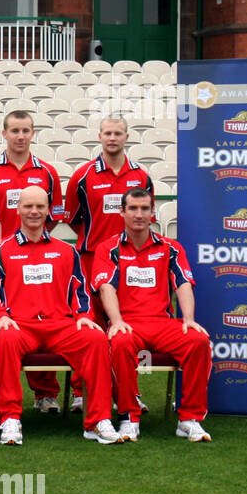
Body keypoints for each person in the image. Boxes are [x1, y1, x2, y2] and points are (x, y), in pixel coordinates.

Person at [0, 186, 120, 445]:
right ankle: (10, 418)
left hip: (60, 325)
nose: (34, 212)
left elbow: (80, 289)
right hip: (20, 325)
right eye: (28, 206)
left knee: (95, 338)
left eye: (40, 207)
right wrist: (0, 316)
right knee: (5, 338)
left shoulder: (66, 250)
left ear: (48, 211)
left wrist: (84, 316)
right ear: (18, 209)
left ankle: (98, 420)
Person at [91, 188, 212, 442]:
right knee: (119, 342)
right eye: (133, 209)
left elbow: (183, 283)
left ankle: (189, 419)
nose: (139, 214)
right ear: (122, 212)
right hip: (128, 324)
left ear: (152, 212)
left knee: (198, 341)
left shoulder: (170, 247)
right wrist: (116, 322)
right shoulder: (108, 248)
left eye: (144, 209)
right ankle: (129, 418)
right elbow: (106, 288)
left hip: (162, 323)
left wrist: (188, 319)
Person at [0, 109, 65, 413]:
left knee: (43, 318)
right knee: (2, 326)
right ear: (4, 133)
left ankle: (45, 393)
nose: (20, 136)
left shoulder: (47, 172)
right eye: (14, 131)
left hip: (37, 258)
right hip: (1, 260)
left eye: (26, 131)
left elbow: (53, 216)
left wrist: (37, 240)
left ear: (33, 133)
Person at [63, 115, 155, 412]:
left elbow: (146, 215)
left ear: (127, 137)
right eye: (107, 133)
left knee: (124, 325)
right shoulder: (83, 175)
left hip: (130, 260)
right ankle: (81, 391)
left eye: (117, 133)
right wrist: (97, 243)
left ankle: (129, 391)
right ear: (99, 136)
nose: (112, 138)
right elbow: (74, 218)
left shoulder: (141, 176)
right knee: (89, 324)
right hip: (90, 258)